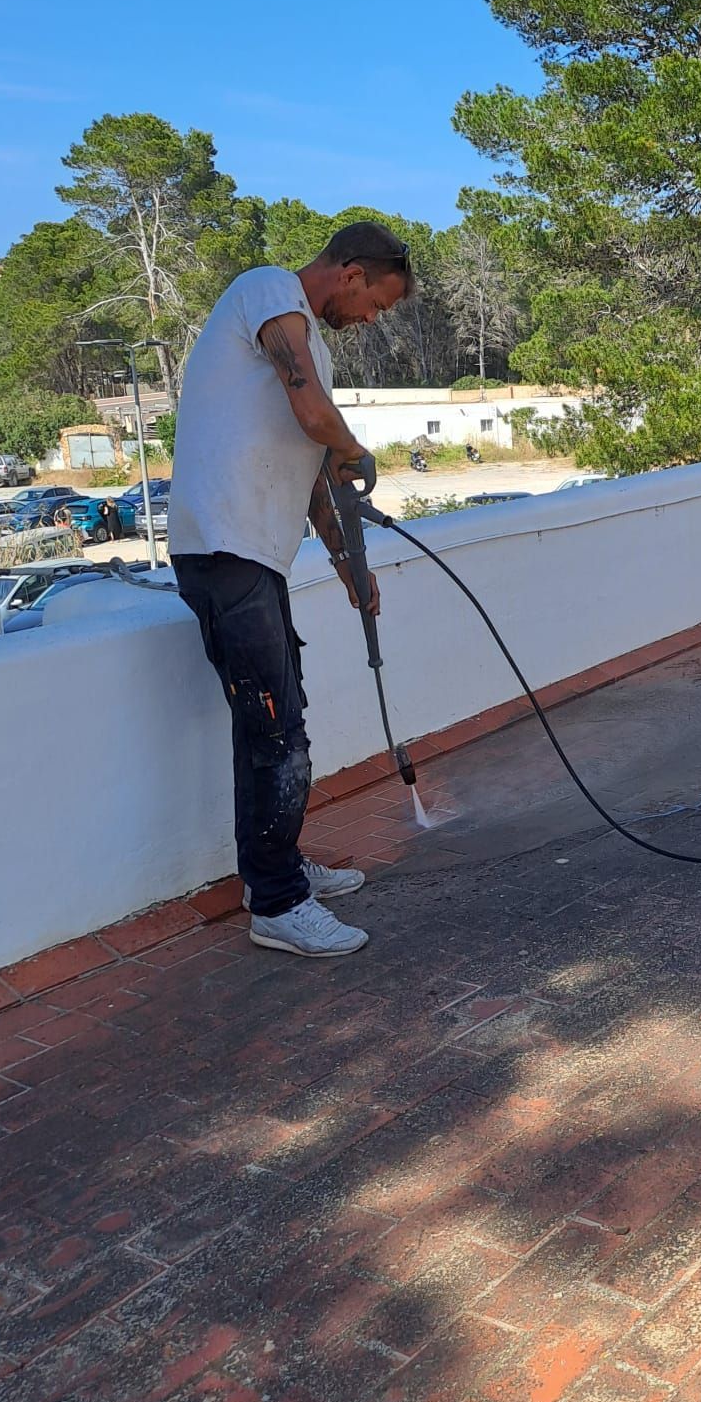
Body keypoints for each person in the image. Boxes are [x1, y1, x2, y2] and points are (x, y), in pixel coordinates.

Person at [169, 221, 413, 957]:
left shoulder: (313, 349)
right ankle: (278, 904)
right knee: (277, 730)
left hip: (257, 555)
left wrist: (347, 565)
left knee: (272, 719)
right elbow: (316, 420)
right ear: (351, 273)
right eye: (376, 304)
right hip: (223, 545)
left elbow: (314, 472)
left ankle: (270, 872)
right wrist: (354, 447)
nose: (370, 320)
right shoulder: (269, 291)